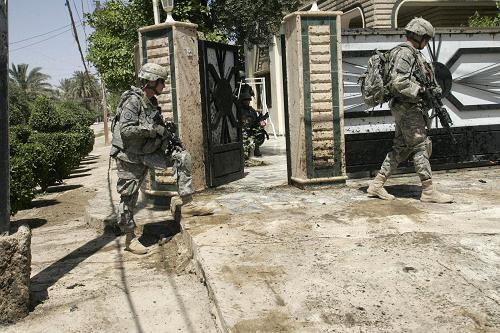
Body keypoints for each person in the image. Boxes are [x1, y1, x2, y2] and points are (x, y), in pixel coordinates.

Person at [110, 62, 213, 255]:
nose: (163, 86)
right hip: (129, 157)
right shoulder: (132, 101)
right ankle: (130, 239)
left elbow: (158, 128)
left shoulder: (152, 103)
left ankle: (187, 201)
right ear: (151, 81)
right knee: (129, 196)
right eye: (161, 82)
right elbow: (126, 131)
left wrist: (168, 136)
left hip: (147, 152)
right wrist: (152, 130)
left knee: (182, 158)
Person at [367, 17, 453, 204]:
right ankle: (429, 190)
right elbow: (399, 83)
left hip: (410, 107)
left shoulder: (414, 54)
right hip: (407, 108)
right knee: (421, 146)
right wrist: (421, 90)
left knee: (401, 148)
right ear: (419, 35)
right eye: (426, 39)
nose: (427, 42)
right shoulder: (405, 54)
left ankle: (377, 184)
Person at [239, 88, 268, 158]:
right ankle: (246, 151)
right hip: (244, 129)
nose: (247, 102)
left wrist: (261, 119)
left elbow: (255, 119)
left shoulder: (251, 110)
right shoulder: (240, 110)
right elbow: (242, 120)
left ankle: (256, 149)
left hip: (252, 128)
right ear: (242, 101)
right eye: (245, 100)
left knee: (259, 132)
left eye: (248, 100)